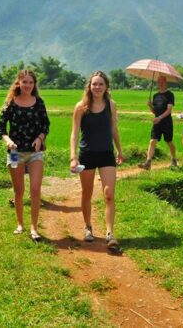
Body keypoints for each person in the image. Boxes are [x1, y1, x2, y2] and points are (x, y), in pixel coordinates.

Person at [70, 71, 124, 249]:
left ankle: (110, 233)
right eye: (94, 84)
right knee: (87, 193)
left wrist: (120, 150)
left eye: (101, 84)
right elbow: (75, 134)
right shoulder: (81, 107)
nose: (97, 87)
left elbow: (114, 128)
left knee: (109, 194)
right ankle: (88, 227)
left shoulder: (111, 105)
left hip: (106, 154)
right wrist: (73, 157)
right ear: (89, 86)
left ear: (106, 87)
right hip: (87, 154)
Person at [0, 70, 50, 242]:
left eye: (30, 82)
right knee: (19, 191)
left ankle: (34, 228)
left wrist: (40, 138)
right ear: (18, 83)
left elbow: (46, 125)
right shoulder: (10, 103)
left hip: (35, 153)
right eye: (24, 82)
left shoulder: (39, 103)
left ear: (34, 85)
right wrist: (8, 141)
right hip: (15, 153)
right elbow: (1, 129)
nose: (27, 85)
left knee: (35, 190)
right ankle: (20, 224)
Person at [139, 75, 177, 170]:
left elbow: (169, 110)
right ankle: (148, 163)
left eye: (162, 82)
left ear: (165, 82)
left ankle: (173, 159)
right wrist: (150, 106)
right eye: (158, 82)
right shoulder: (155, 95)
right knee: (152, 141)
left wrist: (160, 118)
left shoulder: (170, 95)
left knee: (169, 141)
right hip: (157, 122)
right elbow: (154, 111)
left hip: (166, 122)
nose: (160, 84)